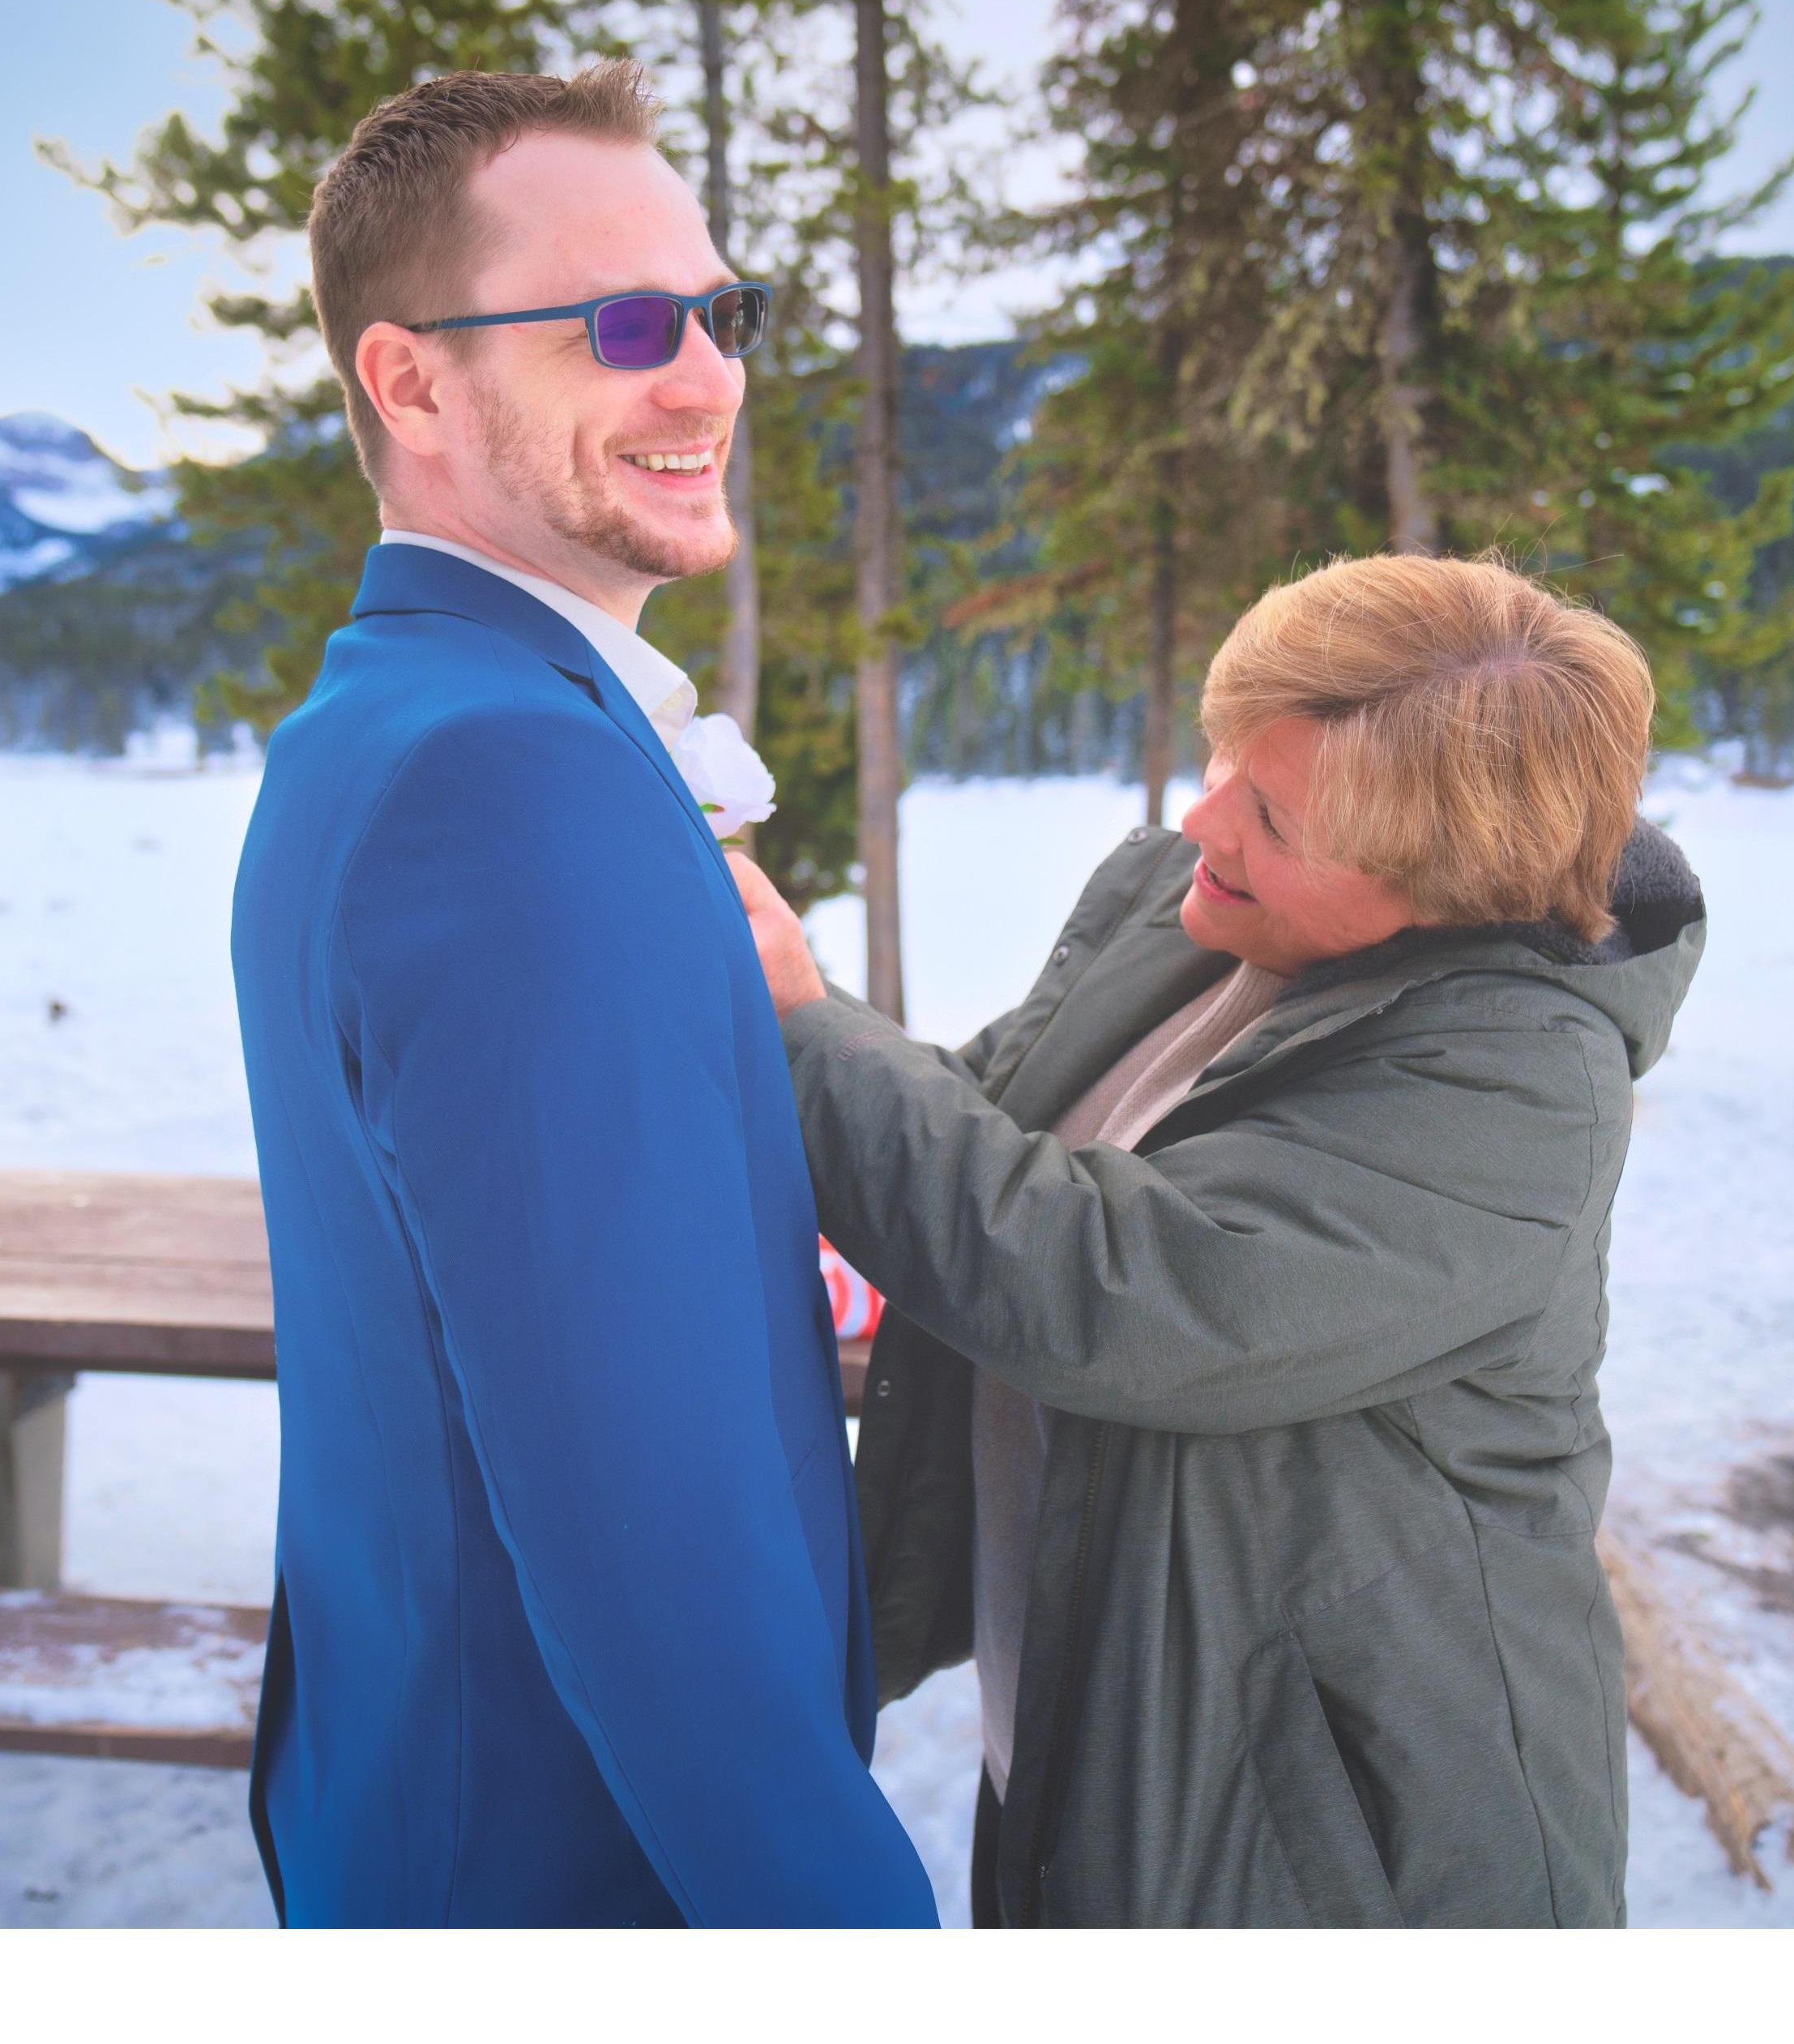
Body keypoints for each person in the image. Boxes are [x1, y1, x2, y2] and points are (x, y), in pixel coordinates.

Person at [726, 554, 1702, 1926]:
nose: (1203, 818)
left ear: (1445, 886)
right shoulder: (1196, 914)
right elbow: (982, 1127)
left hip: (1333, 1848)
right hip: (1102, 1738)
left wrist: (792, 1023)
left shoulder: (1515, 1093)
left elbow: (1110, 1292)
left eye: (1271, 817)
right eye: (1225, 757)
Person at [231, 60, 933, 1927]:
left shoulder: (374, 719)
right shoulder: (511, 780)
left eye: (721, 314)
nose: (704, 378)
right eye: (620, 325)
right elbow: (652, 1535)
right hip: (574, 1863)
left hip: (426, 1798)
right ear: (409, 382)